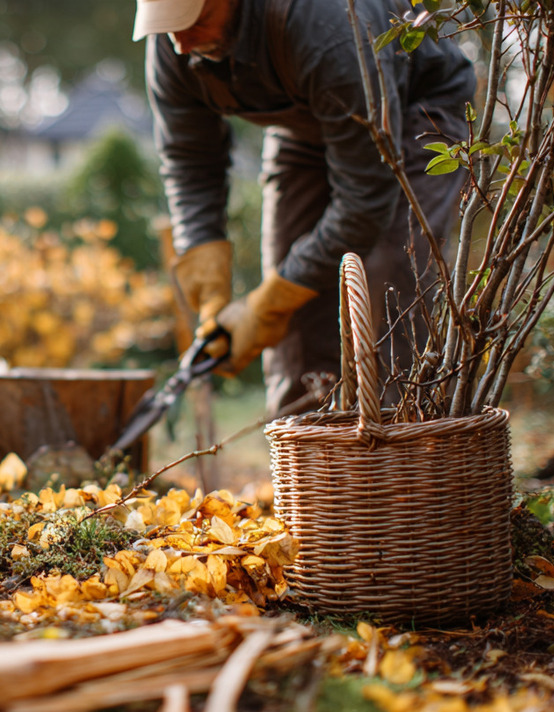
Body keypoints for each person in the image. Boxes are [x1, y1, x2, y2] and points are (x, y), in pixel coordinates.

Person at [134, 0, 476, 414]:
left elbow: (365, 202)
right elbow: (189, 157)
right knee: (290, 302)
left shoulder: (326, 30)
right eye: (169, 28)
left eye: (196, 22)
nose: (183, 46)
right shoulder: (172, 44)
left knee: (387, 278)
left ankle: (401, 457)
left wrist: (268, 302)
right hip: (305, 123)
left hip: (412, 111)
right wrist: (208, 278)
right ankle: (305, 464)